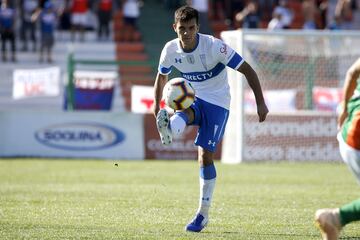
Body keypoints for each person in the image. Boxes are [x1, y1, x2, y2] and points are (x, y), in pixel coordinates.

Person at [152, 5, 268, 232]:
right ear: (174, 28)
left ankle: (203, 214)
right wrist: (157, 107)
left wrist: (260, 102)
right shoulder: (170, 50)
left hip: (218, 103)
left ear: (198, 27)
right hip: (194, 97)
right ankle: (169, 129)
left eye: (191, 28)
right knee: (184, 111)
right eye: (182, 28)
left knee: (205, 156)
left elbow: (248, 71)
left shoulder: (215, 47)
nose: (187, 33)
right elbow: (161, 77)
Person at [315, 57, 360, 240]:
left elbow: (352, 71)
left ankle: (335, 219)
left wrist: (343, 109)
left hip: (349, 131)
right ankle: (335, 218)